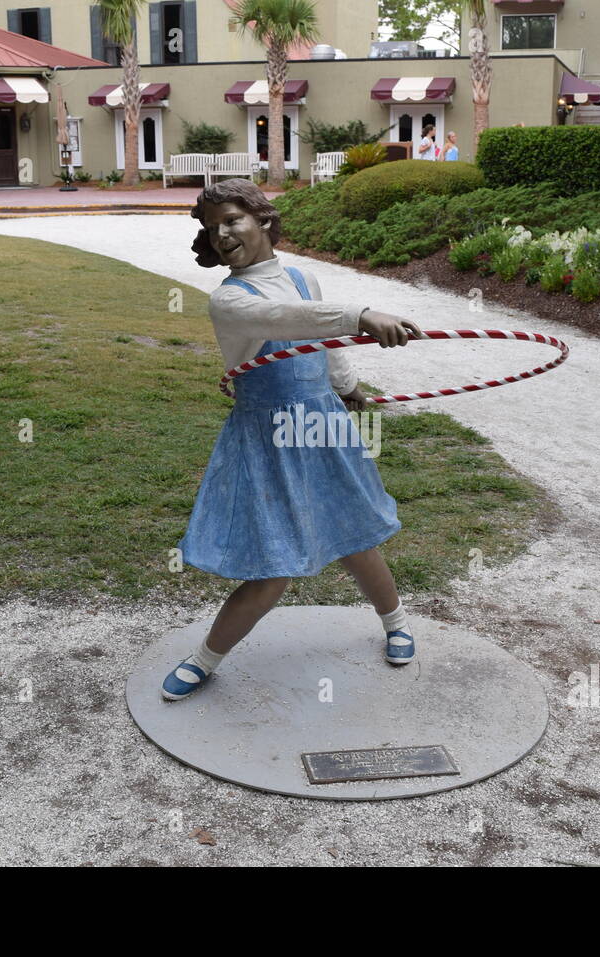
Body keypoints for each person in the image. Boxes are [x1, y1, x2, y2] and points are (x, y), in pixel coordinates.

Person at [162, 178, 422, 701]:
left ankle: (395, 622)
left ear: (262, 219)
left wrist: (347, 388)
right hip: (268, 435)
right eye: (213, 229)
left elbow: (324, 342)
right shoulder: (230, 300)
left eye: (232, 219)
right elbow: (286, 321)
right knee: (274, 560)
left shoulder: (303, 277)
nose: (223, 234)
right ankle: (205, 659)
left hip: (322, 425)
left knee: (355, 532)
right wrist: (363, 315)